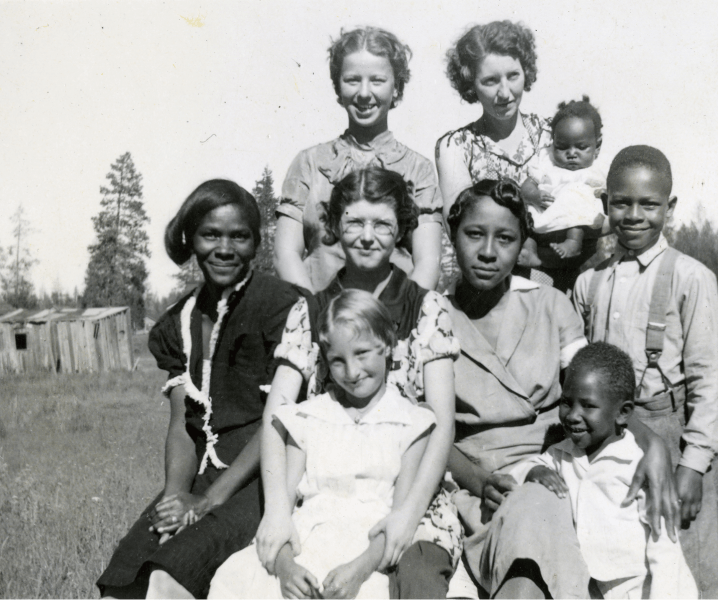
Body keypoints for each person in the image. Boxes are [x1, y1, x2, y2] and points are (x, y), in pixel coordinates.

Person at [443, 179, 680, 600]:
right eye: (474, 234)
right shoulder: (434, 315)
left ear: (522, 246)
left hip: (552, 471)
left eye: (506, 239)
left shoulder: (549, 305)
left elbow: (598, 392)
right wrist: (481, 481)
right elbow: (427, 428)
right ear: (452, 235)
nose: (487, 252)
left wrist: (654, 444)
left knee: (539, 515)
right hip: (470, 479)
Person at [258, 167, 462, 600]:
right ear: (334, 226)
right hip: (328, 487)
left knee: (417, 579)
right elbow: (276, 415)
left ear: (401, 229)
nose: (368, 236)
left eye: (383, 224)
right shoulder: (310, 312)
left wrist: (406, 515)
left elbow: (442, 423)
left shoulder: (428, 310)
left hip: (412, 491)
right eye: (354, 222)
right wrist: (277, 512)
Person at [97, 180, 305, 600]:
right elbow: (183, 424)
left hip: (263, 475)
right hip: (205, 475)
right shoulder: (178, 322)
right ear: (191, 238)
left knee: (172, 573)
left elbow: (279, 419)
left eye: (239, 236)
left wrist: (207, 502)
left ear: (256, 243)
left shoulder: (281, 306)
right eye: (211, 234)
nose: (224, 249)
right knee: (126, 578)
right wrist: (175, 495)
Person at [209, 290, 436, 600]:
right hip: (305, 542)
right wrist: (286, 567)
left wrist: (358, 572)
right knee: (236, 577)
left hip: (368, 554)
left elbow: (400, 520)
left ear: (387, 345)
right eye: (338, 361)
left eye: (362, 354)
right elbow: (282, 513)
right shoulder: (308, 417)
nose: (352, 372)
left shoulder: (412, 422)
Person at [573, 145, 718, 600]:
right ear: (605, 205)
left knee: (683, 565)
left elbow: (709, 382)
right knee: (616, 559)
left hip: (669, 429)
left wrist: (693, 467)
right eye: (621, 203)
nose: (634, 215)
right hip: (606, 438)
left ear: (670, 208)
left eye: (649, 204)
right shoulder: (590, 282)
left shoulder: (691, 277)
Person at [503, 342, 697, 600]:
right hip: (582, 587)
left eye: (588, 406)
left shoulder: (637, 466)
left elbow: (665, 548)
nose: (573, 415)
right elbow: (521, 472)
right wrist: (533, 472)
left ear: (622, 413)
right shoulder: (562, 453)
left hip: (636, 590)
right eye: (566, 402)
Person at [274, 26, 443, 293]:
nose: (364, 93)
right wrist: (314, 315)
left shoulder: (418, 169)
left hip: (394, 322)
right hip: (319, 317)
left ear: (396, 88)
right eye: (352, 80)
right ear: (338, 88)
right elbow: (285, 254)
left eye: (377, 80)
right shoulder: (308, 163)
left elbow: (428, 262)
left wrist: (400, 318)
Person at [435, 20, 596, 291]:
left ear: (526, 72)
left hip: (558, 286)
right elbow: (460, 231)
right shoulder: (455, 147)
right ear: (471, 84)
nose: (505, 93)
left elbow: (591, 216)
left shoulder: (556, 135)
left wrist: (541, 258)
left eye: (513, 76)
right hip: (486, 290)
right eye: (490, 81)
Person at [518, 97, 607, 272]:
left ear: (597, 145)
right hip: (546, 209)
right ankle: (530, 250)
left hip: (572, 219)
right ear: (553, 142)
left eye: (581, 147)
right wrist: (534, 196)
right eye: (562, 147)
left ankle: (573, 243)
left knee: (579, 201)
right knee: (527, 216)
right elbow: (528, 184)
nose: (571, 153)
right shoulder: (546, 161)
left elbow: (606, 195)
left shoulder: (596, 170)